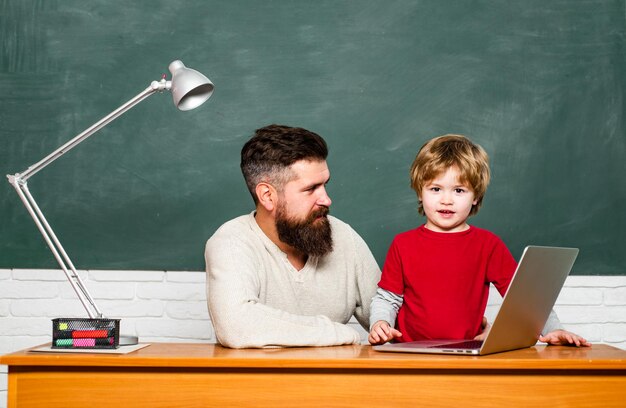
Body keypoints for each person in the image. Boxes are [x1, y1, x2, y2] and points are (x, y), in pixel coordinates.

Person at [368, 134, 589, 347]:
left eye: (459, 190)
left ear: (475, 197)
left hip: (465, 353)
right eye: (435, 189)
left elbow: (525, 300)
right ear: (420, 192)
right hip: (409, 352)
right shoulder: (403, 244)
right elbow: (388, 298)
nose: (446, 200)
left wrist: (553, 329)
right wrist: (380, 323)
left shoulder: (488, 245)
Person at [205, 124, 381, 348]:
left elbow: (392, 320)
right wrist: (340, 333)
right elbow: (236, 325)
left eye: (325, 185)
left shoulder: (344, 237)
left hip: (333, 382)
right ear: (267, 196)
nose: (326, 200)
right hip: (258, 383)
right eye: (310, 189)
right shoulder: (230, 242)